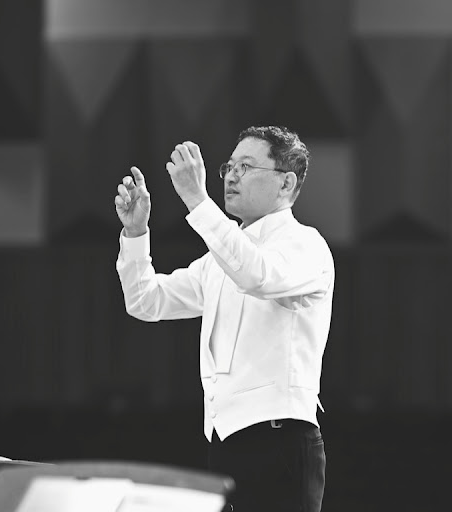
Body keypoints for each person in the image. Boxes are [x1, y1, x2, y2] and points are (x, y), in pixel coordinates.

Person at [115, 125, 335, 512]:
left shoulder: (306, 244)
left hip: (280, 440)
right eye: (229, 166)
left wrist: (197, 199)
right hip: (226, 442)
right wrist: (136, 233)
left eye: (246, 166)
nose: (231, 176)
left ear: (286, 183)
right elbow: (146, 301)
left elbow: (255, 274)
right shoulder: (220, 257)